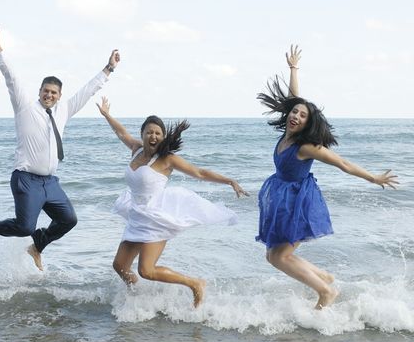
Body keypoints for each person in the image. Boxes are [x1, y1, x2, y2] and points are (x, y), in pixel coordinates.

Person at [256, 44, 398, 309]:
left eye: (303, 115)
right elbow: (294, 98)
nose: (297, 115)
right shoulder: (287, 133)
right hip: (281, 198)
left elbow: (342, 163)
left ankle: (325, 291)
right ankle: (324, 277)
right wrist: (294, 69)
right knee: (273, 256)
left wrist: (373, 178)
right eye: (294, 112)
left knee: (279, 257)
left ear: (308, 123)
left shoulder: (305, 147)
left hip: (297, 202)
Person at [0, 26, 120, 271]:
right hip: (26, 178)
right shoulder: (25, 107)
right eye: (45, 91)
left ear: (60, 95)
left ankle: (37, 246)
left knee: (68, 219)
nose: (49, 95)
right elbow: (11, 77)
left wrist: (109, 68)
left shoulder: (64, 110)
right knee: (24, 227)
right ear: (39, 92)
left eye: (53, 93)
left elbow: (88, 90)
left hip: (49, 183)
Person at [97, 97, 248, 308]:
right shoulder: (137, 149)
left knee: (146, 270)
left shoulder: (167, 159)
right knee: (120, 266)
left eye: (158, 133)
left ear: (163, 137)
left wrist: (229, 180)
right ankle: (137, 296)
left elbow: (199, 172)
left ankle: (195, 283)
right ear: (142, 134)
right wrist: (106, 115)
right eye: (149, 132)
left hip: (156, 217)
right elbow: (121, 132)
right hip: (136, 215)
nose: (153, 136)